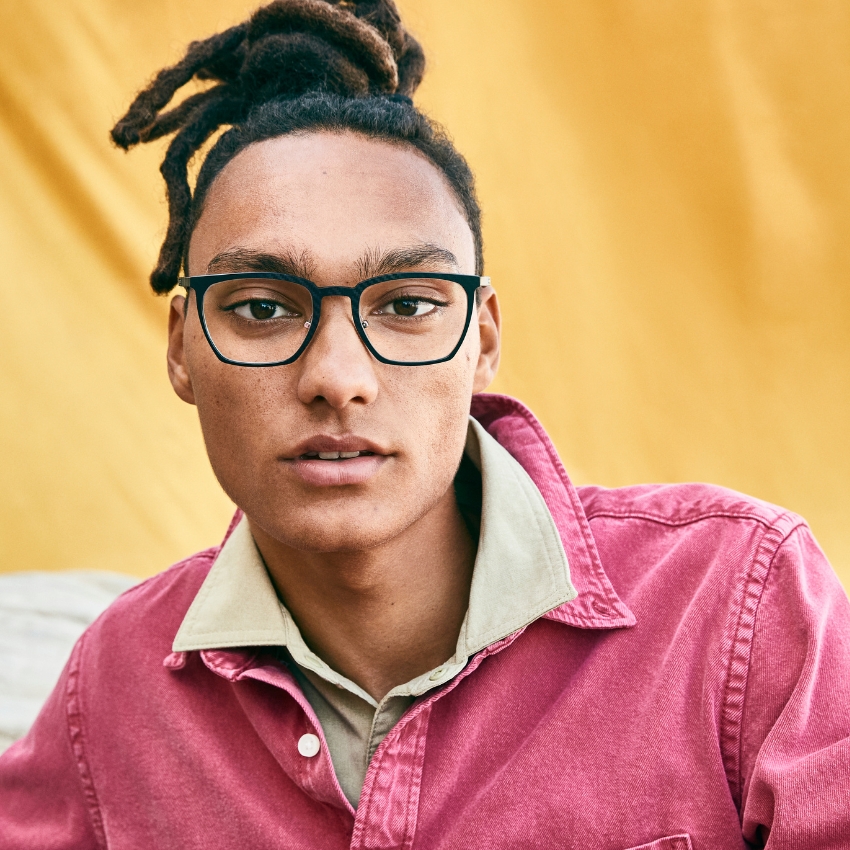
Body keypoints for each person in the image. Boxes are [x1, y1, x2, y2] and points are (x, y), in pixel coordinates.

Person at [1, 1, 849, 847]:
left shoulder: (740, 601)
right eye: (262, 308)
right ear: (183, 347)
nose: (337, 378)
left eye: (407, 305)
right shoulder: (113, 690)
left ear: (481, 342)